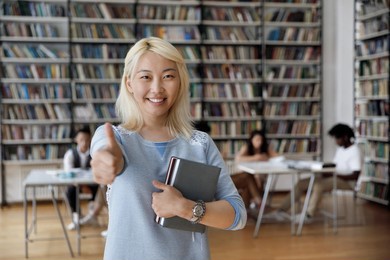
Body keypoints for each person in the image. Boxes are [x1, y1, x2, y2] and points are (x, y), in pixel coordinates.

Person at [90, 37, 247, 260]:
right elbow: (104, 153)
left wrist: (185, 208)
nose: (157, 88)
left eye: (168, 76)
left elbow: (238, 215)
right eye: (145, 77)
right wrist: (105, 161)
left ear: (180, 82)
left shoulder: (200, 144)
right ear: (129, 83)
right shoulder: (115, 138)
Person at [268, 123, 362, 222]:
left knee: (319, 185)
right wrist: (323, 169)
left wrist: (333, 174)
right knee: (301, 183)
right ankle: (280, 210)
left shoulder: (355, 151)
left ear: (345, 137)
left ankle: (308, 215)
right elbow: (336, 166)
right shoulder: (341, 150)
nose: (335, 141)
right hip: (333, 176)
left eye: (337, 138)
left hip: (347, 182)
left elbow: (355, 176)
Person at [64, 126, 102, 230]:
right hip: (77, 184)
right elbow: (69, 172)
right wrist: (83, 185)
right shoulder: (70, 154)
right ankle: (76, 216)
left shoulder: (95, 153)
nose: (84, 143)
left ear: (90, 139)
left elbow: (99, 170)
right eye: (81, 140)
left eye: (86, 140)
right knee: (70, 190)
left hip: (93, 183)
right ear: (76, 140)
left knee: (99, 188)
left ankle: (92, 214)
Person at [233, 129, 279, 209]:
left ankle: (249, 207)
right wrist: (256, 157)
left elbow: (278, 157)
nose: (259, 142)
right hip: (248, 173)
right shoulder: (247, 148)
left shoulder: (265, 148)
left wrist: (268, 157)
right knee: (251, 178)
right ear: (251, 140)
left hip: (260, 173)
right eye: (257, 140)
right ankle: (259, 203)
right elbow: (238, 158)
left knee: (258, 179)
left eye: (261, 140)